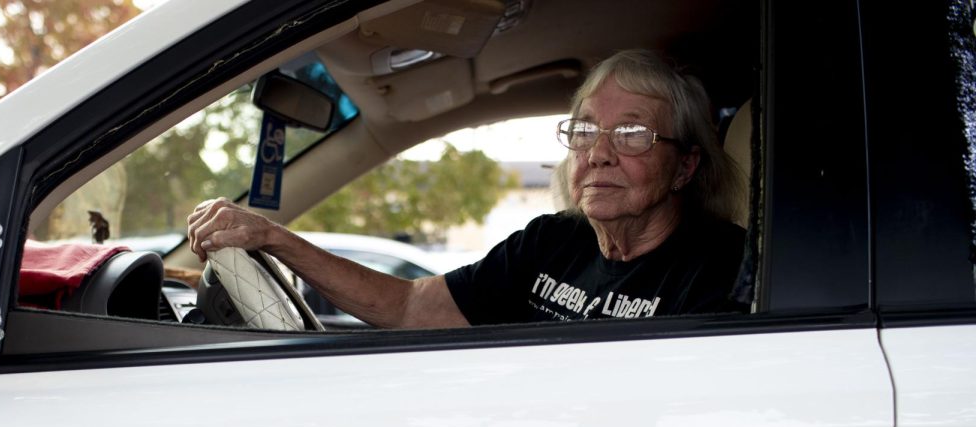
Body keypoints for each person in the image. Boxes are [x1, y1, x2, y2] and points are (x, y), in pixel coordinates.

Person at [186, 49, 746, 328]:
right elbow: (408, 307)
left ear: (685, 167)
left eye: (631, 133)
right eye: (585, 130)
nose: (599, 152)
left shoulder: (722, 270)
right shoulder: (552, 243)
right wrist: (273, 238)